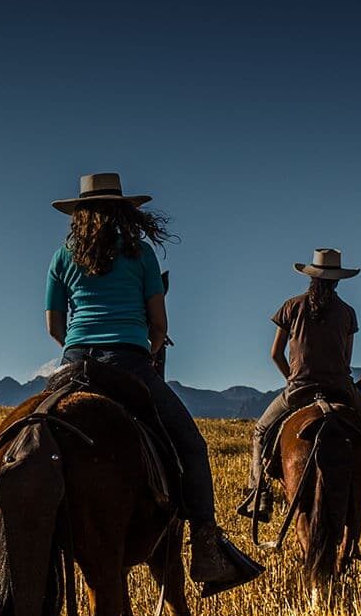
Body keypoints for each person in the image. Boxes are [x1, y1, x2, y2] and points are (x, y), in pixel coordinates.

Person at [45, 173, 262, 590]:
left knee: (27, 436)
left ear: (79, 214)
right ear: (124, 212)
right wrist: (147, 344)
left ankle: (5, 529)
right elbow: (159, 325)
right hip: (128, 361)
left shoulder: (61, 257)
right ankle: (205, 545)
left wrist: (78, 346)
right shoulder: (141, 253)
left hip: (73, 362)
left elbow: (54, 325)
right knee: (191, 446)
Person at [238, 249, 361, 523]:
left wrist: (291, 378)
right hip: (340, 388)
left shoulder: (291, 306)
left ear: (311, 277)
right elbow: (346, 360)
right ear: (338, 281)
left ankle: (259, 496)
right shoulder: (348, 313)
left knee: (260, 431)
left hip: (299, 388)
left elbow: (275, 353)